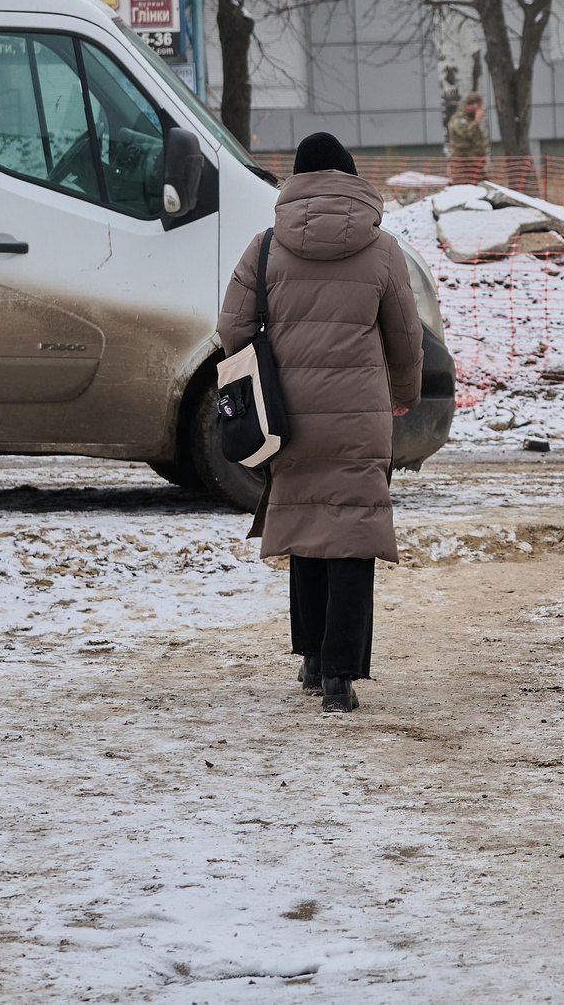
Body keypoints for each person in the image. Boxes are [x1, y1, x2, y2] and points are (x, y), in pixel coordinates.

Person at [216, 131, 422, 713]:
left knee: (305, 526)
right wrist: (403, 394)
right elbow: (406, 337)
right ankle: (339, 677)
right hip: (359, 417)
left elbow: (231, 328)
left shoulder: (264, 247)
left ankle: (310, 657)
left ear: (296, 183)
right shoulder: (383, 250)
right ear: (351, 181)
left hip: (288, 416)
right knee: (352, 534)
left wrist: (265, 369)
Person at [445, 93, 489, 186]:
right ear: (470, 105)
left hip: (475, 164)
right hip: (463, 165)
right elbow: (466, 133)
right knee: (464, 188)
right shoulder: (458, 119)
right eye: (478, 105)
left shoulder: (470, 119)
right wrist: (476, 121)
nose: (480, 109)